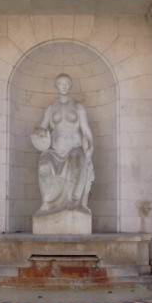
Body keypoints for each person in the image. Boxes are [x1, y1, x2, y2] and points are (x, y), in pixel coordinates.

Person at [31, 73, 95, 216]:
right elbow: (42, 128)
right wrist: (39, 132)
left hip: (74, 147)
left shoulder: (78, 107)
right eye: (61, 83)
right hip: (55, 150)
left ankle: (72, 202)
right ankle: (47, 202)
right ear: (57, 86)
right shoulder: (50, 108)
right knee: (43, 165)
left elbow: (86, 130)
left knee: (75, 158)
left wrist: (91, 145)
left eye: (66, 83)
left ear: (70, 85)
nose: (64, 86)